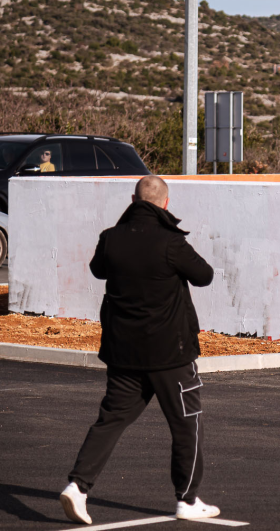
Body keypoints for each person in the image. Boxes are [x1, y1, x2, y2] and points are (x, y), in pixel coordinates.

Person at [60, 175, 218, 524]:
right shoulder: (171, 242)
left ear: (133, 200)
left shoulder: (110, 239)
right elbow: (204, 275)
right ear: (165, 203)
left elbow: (97, 270)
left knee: (111, 420)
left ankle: (78, 487)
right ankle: (187, 500)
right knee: (187, 424)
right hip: (170, 355)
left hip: (124, 353)